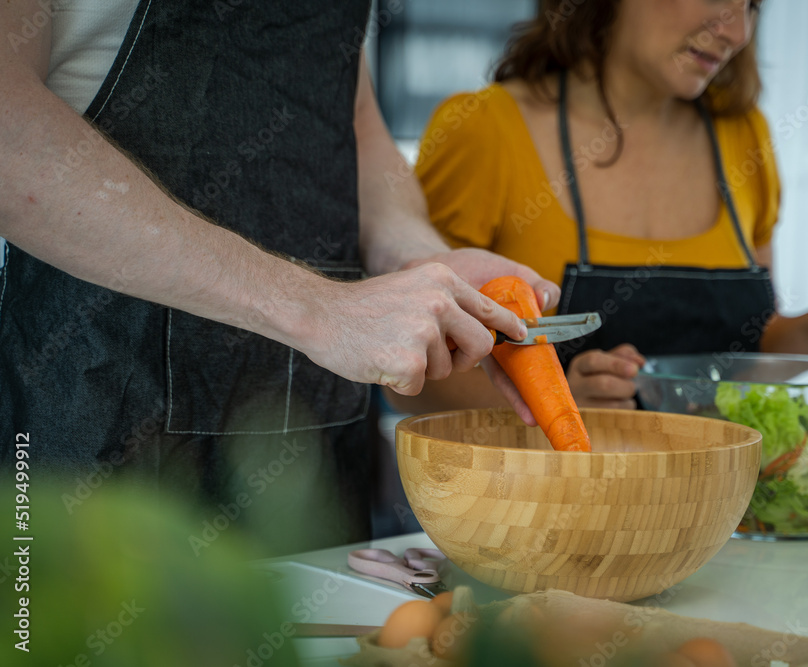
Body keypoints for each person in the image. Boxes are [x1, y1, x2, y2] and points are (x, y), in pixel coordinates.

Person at [0, 0, 557, 554]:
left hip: (314, 433)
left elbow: (357, 131)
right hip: (97, 399)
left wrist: (423, 258)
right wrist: (319, 309)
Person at [387, 0, 808, 415]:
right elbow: (406, 380)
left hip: (704, 519)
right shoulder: (485, 130)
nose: (738, 32)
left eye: (752, 4)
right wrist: (555, 401)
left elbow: (747, 349)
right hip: (529, 527)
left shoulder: (744, 139)